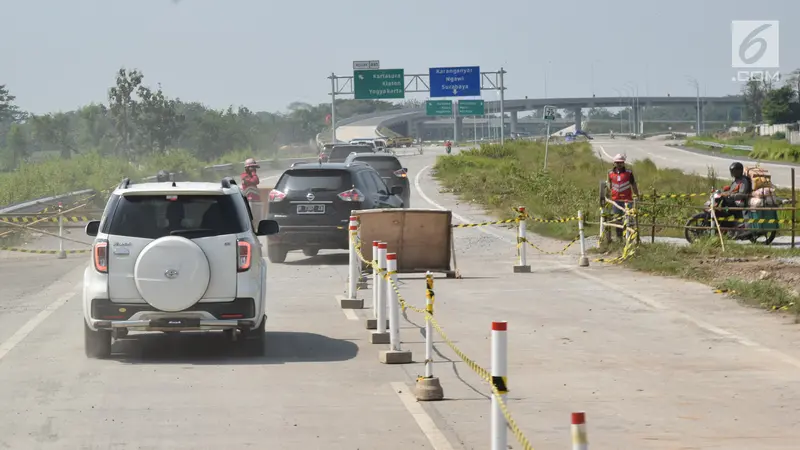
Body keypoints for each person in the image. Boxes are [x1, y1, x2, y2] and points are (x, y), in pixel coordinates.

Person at [607, 154, 639, 241]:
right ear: (614, 163)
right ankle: (619, 237)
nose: (619, 164)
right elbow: (609, 185)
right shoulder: (610, 173)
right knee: (618, 219)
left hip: (627, 200)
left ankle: (628, 237)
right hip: (615, 200)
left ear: (623, 163)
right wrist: (609, 195)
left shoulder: (629, 172)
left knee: (628, 218)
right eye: (617, 163)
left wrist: (637, 195)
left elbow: (633, 184)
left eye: (621, 163)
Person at [718, 162, 752, 234]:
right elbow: (732, 190)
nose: (732, 173)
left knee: (724, 204)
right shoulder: (736, 180)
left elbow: (742, 194)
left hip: (739, 203)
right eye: (731, 171)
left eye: (733, 171)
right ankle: (724, 225)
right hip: (733, 201)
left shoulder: (743, 181)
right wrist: (724, 190)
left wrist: (730, 195)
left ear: (739, 171)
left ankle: (730, 226)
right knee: (722, 207)